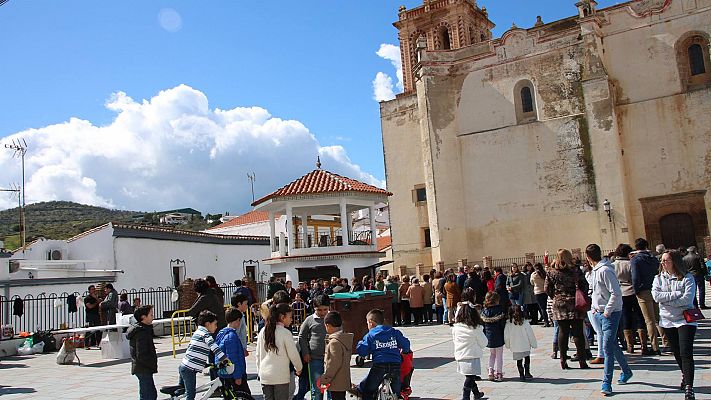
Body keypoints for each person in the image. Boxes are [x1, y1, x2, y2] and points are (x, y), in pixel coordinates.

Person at [587, 243, 633, 397]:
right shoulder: (595, 271)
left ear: (587, 257)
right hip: (600, 313)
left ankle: (606, 383)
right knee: (612, 344)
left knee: (607, 348)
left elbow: (616, 292)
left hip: (610, 314)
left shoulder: (605, 270)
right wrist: (595, 308)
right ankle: (626, 371)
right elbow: (596, 292)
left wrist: (607, 310)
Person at [653, 249, 697, 400]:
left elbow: (688, 299)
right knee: (677, 352)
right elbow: (656, 296)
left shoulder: (687, 277)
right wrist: (676, 294)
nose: (663, 263)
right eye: (662, 260)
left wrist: (668, 302)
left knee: (686, 352)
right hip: (667, 320)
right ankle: (685, 374)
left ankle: (689, 388)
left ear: (675, 262)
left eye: (666, 260)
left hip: (685, 320)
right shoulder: (658, 278)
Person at [351, 309, 411, 400]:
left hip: (380, 365)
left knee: (369, 390)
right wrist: (405, 351)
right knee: (397, 391)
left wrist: (361, 348)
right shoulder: (393, 332)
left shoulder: (371, 335)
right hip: (395, 365)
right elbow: (406, 344)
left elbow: (362, 350)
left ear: (371, 323)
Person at [545, 249, 590, 370]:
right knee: (578, 333)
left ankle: (563, 359)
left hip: (559, 302)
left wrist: (555, 296)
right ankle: (582, 360)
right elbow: (585, 285)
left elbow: (547, 288)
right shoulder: (575, 270)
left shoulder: (552, 271)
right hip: (574, 302)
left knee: (562, 332)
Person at [256, 303, 303, 400]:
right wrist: (299, 368)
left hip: (265, 375)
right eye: (290, 317)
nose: (291, 319)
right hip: (280, 376)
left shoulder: (263, 331)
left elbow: (258, 354)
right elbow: (293, 354)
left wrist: (259, 371)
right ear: (282, 317)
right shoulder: (285, 333)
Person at [179, 311, 228, 400]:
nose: (216, 327)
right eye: (215, 324)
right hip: (188, 369)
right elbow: (214, 347)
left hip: (186, 366)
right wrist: (225, 360)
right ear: (208, 324)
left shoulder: (199, 331)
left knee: (185, 391)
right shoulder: (205, 334)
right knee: (191, 394)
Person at [630, 238, 662, 355]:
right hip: (655, 289)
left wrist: (636, 290)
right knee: (658, 319)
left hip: (643, 291)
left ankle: (655, 346)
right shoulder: (653, 258)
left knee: (649, 321)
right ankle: (667, 342)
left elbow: (635, 277)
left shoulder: (635, 260)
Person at [295, 295, 330, 400]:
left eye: (325, 310)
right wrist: (305, 352)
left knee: (331, 387)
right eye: (319, 310)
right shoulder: (309, 320)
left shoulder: (333, 318)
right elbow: (302, 337)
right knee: (317, 387)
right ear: (314, 308)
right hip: (315, 359)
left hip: (331, 360)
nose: (323, 313)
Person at [612, 243, 645, 354]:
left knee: (625, 318)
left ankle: (630, 346)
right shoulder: (630, 264)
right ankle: (643, 345)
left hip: (621, 293)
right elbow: (635, 278)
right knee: (639, 317)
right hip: (632, 291)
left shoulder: (613, 265)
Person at [452, 298, 487, 399]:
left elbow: (455, 341)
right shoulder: (475, 328)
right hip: (472, 355)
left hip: (460, 355)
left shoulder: (456, 328)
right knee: (470, 377)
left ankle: (476, 393)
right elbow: (484, 343)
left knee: (470, 375)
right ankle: (465, 396)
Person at [319, 311, 354, 400]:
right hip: (343, 379)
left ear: (328, 325)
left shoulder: (334, 342)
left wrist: (325, 378)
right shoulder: (344, 338)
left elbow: (334, 364)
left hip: (336, 381)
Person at [215, 307, 250, 395]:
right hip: (233, 374)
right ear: (238, 320)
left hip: (224, 371)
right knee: (245, 395)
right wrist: (237, 376)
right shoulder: (232, 336)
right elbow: (233, 358)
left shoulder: (221, 333)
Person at [127, 305, 158, 400]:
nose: (153, 316)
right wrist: (151, 363)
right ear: (143, 317)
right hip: (143, 368)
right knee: (149, 395)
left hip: (143, 368)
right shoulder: (141, 332)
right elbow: (141, 354)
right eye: (151, 314)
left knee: (149, 394)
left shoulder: (143, 329)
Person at [504, 305, 537, 382]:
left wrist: (508, 345)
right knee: (527, 358)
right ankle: (527, 372)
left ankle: (521, 375)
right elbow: (530, 334)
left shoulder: (509, 323)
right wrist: (533, 344)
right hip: (525, 344)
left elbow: (506, 336)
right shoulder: (525, 322)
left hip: (515, 346)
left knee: (519, 361)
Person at [481, 292, 506, 382]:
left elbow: (482, 326)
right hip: (499, 336)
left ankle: (490, 371)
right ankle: (499, 373)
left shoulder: (484, 311)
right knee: (499, 356)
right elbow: (502, 325)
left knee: (492, 355)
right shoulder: (500, 311)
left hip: (489, 336)